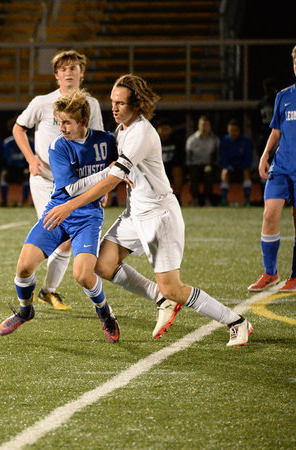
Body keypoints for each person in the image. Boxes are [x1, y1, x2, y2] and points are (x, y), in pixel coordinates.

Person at [43, 74, 253, 346]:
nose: (114, 108)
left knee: (174, 288)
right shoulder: (122, 130)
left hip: (158, 215)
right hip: (135, 213)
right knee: (103, 265)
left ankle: (236, 322)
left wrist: (70, 204)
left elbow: (113, 177)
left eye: (120, 103)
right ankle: (161, 299)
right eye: (112, 102)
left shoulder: (141, 132)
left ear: (137, 104)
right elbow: (115, 171)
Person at [0, 89, 120, 341]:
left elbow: (123, 170)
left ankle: (105, 313)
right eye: (58, 122)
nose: (61, 128)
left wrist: (110, 182)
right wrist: (108, 174)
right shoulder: (58, 146)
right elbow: (72, 188)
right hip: (58, 210)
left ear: (83, 122)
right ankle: (25, 311)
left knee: (83, 276)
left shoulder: (107, 141)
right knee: (24, 268)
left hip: (88, 216)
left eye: (67, 122)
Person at [12, 49, 104, 310]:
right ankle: (37, 288)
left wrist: (100, 186)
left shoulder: (91, 104)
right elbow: (18, 128)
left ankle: (48, 291)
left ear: (82, 74)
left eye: (73, 68)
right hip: (46, 180)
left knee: (66, 239)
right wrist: (31, 158)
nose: (68, 73)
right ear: (56, 75)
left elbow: (97, 143)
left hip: (78, 184)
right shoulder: (42, 102)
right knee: (58, 233)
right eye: (63, 69)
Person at [248, 45, 296, 293]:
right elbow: (276, 131)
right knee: (269, 215)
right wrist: (265, 155)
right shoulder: (284, 96)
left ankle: (295, 276)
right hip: (282, 166)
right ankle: (270, 272)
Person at [218, 119, 254, 206]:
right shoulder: (224, 141)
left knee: (247, 171)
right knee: (224, 172)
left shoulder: (246, 141)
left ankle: (246, 200)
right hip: (229, 167)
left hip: (242, 167)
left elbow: (248, 158)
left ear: (239, 130)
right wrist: (228, 166)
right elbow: (222, 157)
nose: (233, 133)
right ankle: (223, 200)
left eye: (235, 130)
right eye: (231, 130)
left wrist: (243, 165)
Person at [186, 115, 218, 206]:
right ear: (198, 126)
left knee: (209, 173)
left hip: (208, 165)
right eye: (202, 125)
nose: (204, 127)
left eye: (206, 125)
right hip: (195, 165)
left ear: (210, 126)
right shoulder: (191, 140)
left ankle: (207, 199)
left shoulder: (215, 140)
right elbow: (188, 157)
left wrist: (212, 164)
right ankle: (195, 199)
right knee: (193, 174)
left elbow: (216, 156)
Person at [0, 118, 31, 207]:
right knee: (3, 176)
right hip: (11, 168)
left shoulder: (30, 142)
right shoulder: (7, 143)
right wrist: (5, 169)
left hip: (24, 168)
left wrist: (27, 168)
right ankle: (4, 201)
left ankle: (25, 201)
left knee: (31, 176)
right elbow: (4, 159)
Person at [155, 118, 185, 204]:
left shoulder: (177, 141)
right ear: (157, 130)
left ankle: (177, 197)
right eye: (162, 129)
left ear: (170, 130)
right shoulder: (153, 141)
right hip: (156, 167)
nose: (164, 131)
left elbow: (180, 158)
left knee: (177, 171)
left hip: (172, 166)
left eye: (166, 129)